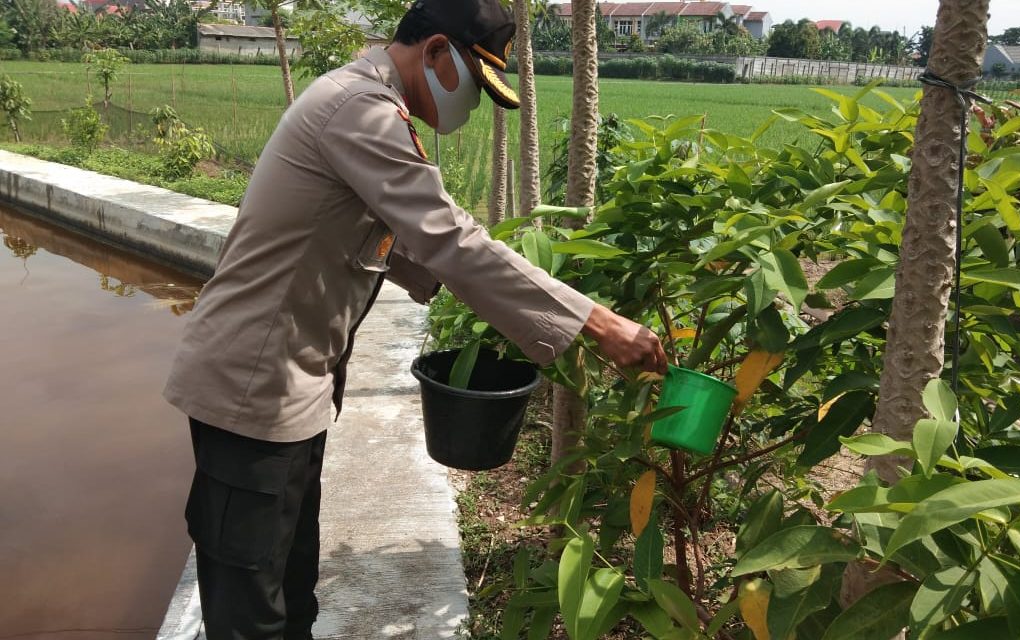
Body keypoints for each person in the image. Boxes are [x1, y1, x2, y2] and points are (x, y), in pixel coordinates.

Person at [162, 0, 667, 637]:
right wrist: (594, 321)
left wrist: (463, 287)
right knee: (249, 612)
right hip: (252, 389)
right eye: (476, 87)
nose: (475, 106)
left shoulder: (363, 101)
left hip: (290, 389)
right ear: (432, 52)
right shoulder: (361, 111)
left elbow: (375, 233)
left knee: (290, 591)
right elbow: (450, 239)